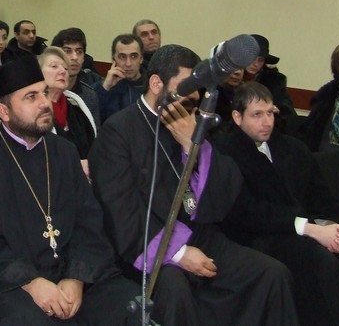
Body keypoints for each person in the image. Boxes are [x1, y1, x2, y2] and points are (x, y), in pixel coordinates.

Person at [89, 44, 297, 326]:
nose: (194, 98)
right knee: (174, 288)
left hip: (200, 234)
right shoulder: (117, 133)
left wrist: (192, 144)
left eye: (196, 89)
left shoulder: (189, 122)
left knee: (271, 273)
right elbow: (120, 211)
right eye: (185, 88)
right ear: (156, 84)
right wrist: (178, 252)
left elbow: (225, 190)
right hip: (145, 244)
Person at [0, 55, 140, 326]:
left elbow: (89, 221)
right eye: (31, 97)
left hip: (71, 272)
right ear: (3, 112)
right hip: (10, 283)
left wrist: (76, 277)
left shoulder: (64, 152)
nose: (44, 103)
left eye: (44, 92)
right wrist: (31, 282)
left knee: (133, 306)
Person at [216, 82, 339, 326]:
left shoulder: (292, 148)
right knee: (320, 263)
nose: (267, 122)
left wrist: (330, 226)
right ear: (237, 117)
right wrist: (309, 229)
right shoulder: (224, 153)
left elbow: (321, 197)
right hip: (261, 236)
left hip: (308, 227)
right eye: (257, 115)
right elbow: (246, 212)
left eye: (270, 113)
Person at [39, 48, 97, 161]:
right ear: (39, 73)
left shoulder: (78, 109)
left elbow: (92, 148)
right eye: (54, 66)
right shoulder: (34, 112)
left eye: (65, 68)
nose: (63, 71)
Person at [243, 34, 296, 131]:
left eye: (260, 60)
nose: (255, 64)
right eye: (252, 58)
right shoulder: (231, 78)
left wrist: (276, 111)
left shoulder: (274, 81)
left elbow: (288, 113)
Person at [51, 28, 101, 124]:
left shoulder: (90, 95)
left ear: (84, 58)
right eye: (67, 51)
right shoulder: (41, 92)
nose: (75, 57)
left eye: (79, 51)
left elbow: (94, 131)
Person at [97, 34, 147, 122]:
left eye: (134, 56)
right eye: (122, 57)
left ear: (141, 58)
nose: (128, 64)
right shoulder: (103, 87)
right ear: (114, 59)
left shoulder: (152, 87)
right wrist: (105, 88)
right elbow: (92, 118)